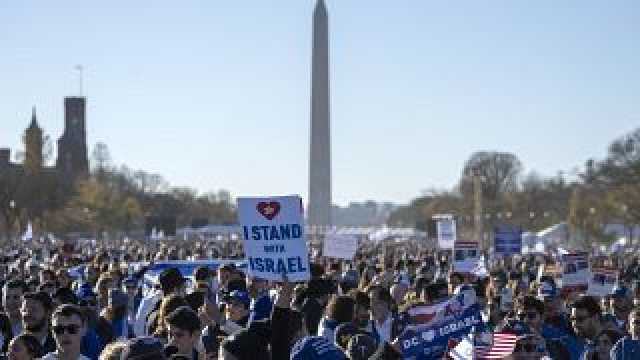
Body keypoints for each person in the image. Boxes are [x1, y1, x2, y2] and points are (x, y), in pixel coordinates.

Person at [570, 295, 605, 360]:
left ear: (595, 318)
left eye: (580, 319)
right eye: (573, 319)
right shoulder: (585, 345)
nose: (575, 324)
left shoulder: (610, 345)